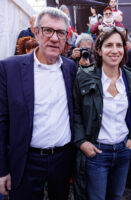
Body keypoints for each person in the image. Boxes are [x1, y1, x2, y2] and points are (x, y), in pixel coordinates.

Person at [0, 7, 77, 200]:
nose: (54, 38)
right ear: (36, 32)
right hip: (26, 161)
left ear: (66, 37)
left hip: (62, 159)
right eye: (47, 30)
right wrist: (2, 169)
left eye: (60, 32)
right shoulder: (10, 68)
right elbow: (1, 121)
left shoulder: (70, 68)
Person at [73, 27, 131, 200]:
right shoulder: (84, 76)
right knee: (97, 197)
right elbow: (76, 111)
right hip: (97, 152)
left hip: (124, 149)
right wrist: (81, 142)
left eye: (119, 45)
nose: (115, 50)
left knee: (116, 196)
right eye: (109, 45)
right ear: (99, 50)